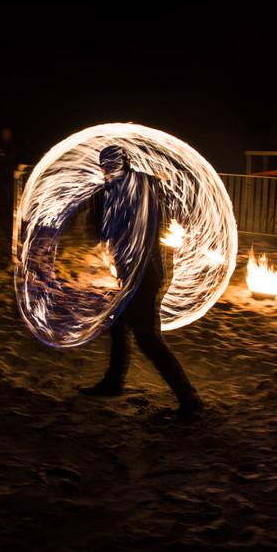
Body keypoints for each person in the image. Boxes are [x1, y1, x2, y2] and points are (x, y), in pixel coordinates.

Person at [81, 145, 203, 417]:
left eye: (107, 166)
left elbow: (105, 230)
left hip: (141, 275)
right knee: (117, 324)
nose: (104, 172)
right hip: (138, 272)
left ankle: (189, 396)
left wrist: (97, 210)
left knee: (148, 339)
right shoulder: (142, 183)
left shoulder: (124, 190)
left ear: (113, 166)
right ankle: (113, 382)